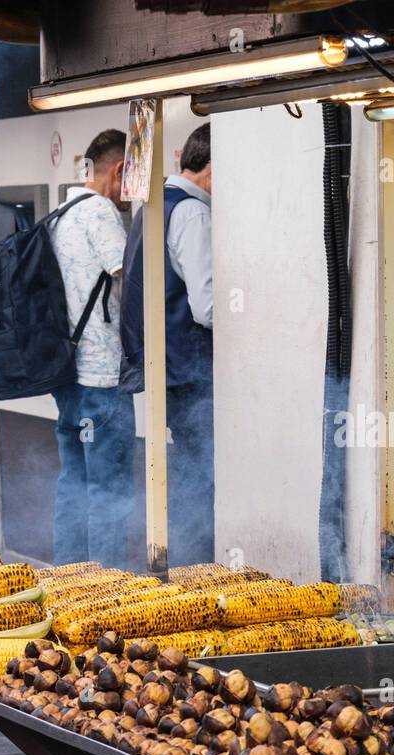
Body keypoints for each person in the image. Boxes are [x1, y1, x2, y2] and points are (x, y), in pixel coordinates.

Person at [121, 122, 215, 566]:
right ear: (212, 169)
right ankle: (198, 571)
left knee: (188, 474)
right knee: (204, 478)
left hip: (167, 370)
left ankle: (180, 568)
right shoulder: (193, 213)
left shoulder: (152, 206)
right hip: (194, 372)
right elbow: (208, 306)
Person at [49, 128, 134, 569]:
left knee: (74, 482)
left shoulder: (61, 212)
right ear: (119, 169)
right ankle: (105, 590)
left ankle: (67, 581)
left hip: (65, 377)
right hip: (101, 379)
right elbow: (130, 280)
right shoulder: (101, 213)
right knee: (109, 488)